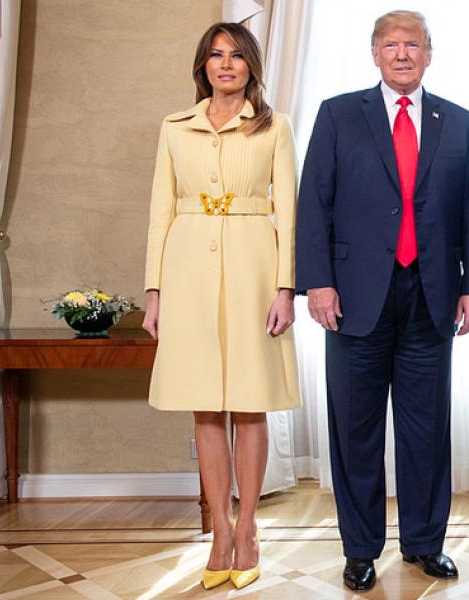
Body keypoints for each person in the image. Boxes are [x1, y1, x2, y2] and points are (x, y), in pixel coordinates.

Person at [296, 10, 469, 592]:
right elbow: (313, 203)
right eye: (391, 45)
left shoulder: (458, 121)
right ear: (374, 53)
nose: (403, 54)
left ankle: (426, 544)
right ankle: (359, 549)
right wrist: (318, 281)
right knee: (356, 429)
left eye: (414, 45)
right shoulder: (337, 114)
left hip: (432, 296)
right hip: (353, 298)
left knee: (426, 429)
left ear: (430, 54)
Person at [142, 22, 299, 591]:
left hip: (255, 263)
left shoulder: (273, 127)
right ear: (203, 65)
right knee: (205, 405)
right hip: (187, 268)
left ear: (251, 65)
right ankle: (219, 534)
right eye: (215, 55)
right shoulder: (174, 128)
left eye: (236, 55)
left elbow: (292, 210)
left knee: (250, 402)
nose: (225, 64)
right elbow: (161, 210)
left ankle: (250, 528)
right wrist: (154, 291)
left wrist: (285, 288)